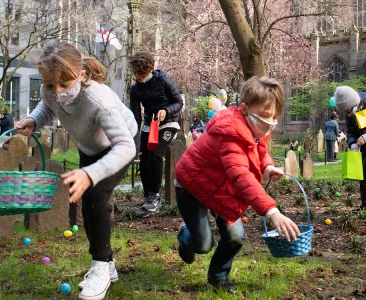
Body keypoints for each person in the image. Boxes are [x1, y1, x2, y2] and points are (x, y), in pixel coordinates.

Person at [16, 42, 139, 300]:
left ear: (81, 75)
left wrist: (91, 174)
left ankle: (99, 268)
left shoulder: (99, 100)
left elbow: (126, 146)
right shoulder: (49, 90)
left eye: (65, 84)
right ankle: (107, 263)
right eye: (51, 86)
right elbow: (49, 107)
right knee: (86, 201)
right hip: (89, 147)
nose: (58, 92)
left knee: (96, 195)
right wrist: (34, 119)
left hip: (120, 144)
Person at [174, 76, 300, 293]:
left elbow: (259, 151)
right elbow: (241, 175)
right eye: (263, 116)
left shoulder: (256, 128)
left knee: (235, 236)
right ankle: (186, 236)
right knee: (203, 244)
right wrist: (271, 211)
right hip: (192, 186)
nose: (269, 123)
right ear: (244, 109)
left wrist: (267, 166)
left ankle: (218, 277)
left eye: (273, 117)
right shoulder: (230, 134)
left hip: (221, 189)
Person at [129, 51, 183, 216]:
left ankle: (156, 195)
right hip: (149, 124)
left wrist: (166, 111)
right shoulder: (135, 89)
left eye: (142, 74)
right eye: (136, 74)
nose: (139, 77)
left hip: (168, 123)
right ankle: (148, 196)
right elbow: (136, 114)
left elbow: (178, 102)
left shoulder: (164, 82)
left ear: (151, 69)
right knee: (144, 156)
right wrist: (136, 137)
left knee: (155, 153)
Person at [334, 86, 366, 210]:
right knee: (363, 173)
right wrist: (353, 145)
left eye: (346, 111)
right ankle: (364, 206)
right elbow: (351, 132)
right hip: (362, 145)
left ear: (354, 104)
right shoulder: (350, 113)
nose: (345, 114)